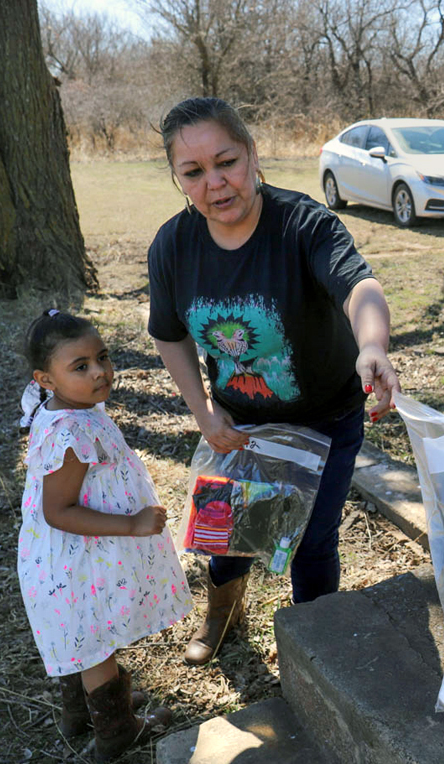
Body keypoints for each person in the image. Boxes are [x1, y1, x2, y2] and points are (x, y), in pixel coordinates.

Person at [147, 97, 400, 665]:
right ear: (178, 179)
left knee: (313, 539)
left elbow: (360, 287)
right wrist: (204, 412)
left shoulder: (303, 224)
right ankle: (223, 615)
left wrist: (373, 346)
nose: (216, 182)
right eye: (194, 171)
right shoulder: (173, 246)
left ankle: (315, 647)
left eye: (227, 161)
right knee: (228, 532)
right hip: (242, 424)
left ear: (253, 155)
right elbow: (168, 335)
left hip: (327, 418)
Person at [18, 310, 190, 762]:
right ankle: (115, 731)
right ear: (46, 379)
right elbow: (58, 511)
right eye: (80, 366)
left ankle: (82, 712)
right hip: (76, 554)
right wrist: (132, 525)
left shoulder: (70, 407)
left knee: (83, 632)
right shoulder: (70, 433)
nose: (99, 372)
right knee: (93, 641)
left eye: (103, 358)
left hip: (79, 552)